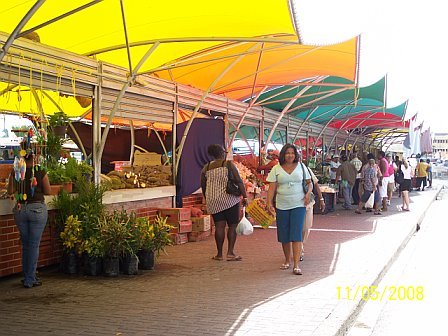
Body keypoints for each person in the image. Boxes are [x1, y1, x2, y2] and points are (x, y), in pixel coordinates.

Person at [7, 149, 51, 288]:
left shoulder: (16, 171)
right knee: (33, 245)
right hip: (37, 209)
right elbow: (48, 190)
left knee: (26, 245)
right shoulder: (40, 170)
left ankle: (27, 275)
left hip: (21, 209)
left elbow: (9, 191)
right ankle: (30, 279)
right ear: (34, 156)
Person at [266, 144, 312, 275]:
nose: (290, 155)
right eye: (287, 153)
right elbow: (272, 188)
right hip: (282, 205)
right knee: (284, 234)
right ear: (283, 155)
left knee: (296, 233)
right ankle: (287, 260)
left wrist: (308, 193)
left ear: (296, 154)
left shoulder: (302, 167)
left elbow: (309, 183)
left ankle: (296, 264)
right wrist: (269, 203)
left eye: (292, 153)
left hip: (299, 204)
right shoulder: (276, 168)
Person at [200, 144, 248, 262]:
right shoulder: (228, 165)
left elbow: (203, 186)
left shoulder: (206, 168)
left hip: (213, 201)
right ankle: (230, 253)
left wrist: (208, 199)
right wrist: (245, 196)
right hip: (229, 200)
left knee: (219, 226)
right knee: (232, 225)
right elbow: (238, 181)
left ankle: (219, 254)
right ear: (222, 152)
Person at [302, 162, 325, 261]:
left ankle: (300, 245)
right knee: (296, 228)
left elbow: (315, 184)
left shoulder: (306, 169)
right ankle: (299, 250)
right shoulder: (285, 170)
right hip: (294, 204)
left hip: (308, 203)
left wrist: (321, 199)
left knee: (306, 227)